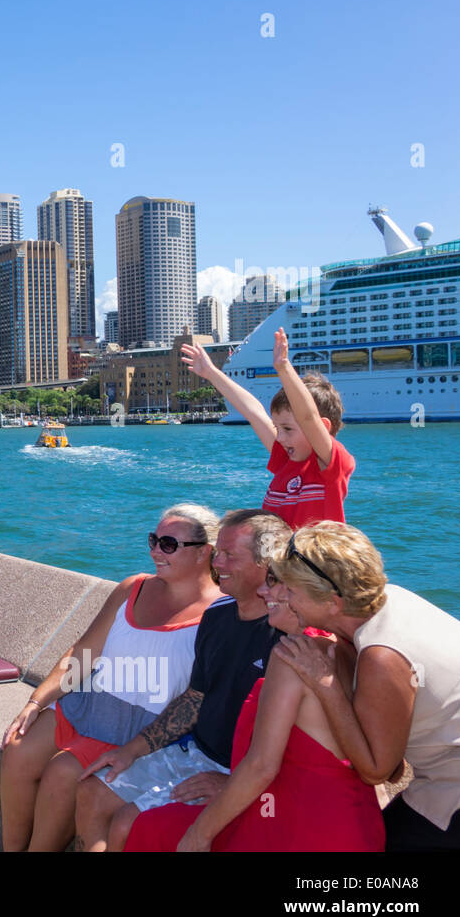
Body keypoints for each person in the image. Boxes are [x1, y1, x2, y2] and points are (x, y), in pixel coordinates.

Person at [0, 504, 222, 851]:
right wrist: (35, 701)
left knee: (62, 774)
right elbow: (84, 652)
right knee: (16, 748)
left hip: (139, 727)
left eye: (168, 544)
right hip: (88, 705)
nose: (154, 551)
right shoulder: (133, 587)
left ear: (204, 552)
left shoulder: (220, 614)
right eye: (153, 540)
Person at [124, 556, 384, 851]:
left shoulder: (294, 655)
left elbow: (261, 766)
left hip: (296, 828)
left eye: (281, 585)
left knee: (152, 829)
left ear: (318, 596)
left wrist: (198, 836)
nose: (265, 592)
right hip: (350, 820)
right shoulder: (352, 649)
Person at [74, 510, 292, 850]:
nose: (216, 561)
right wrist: (130, 751)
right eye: (217, 551)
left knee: (127, 825)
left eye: (229, 555)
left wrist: (233, 782)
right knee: (91, 792)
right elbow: (195, 699)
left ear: (268, 564)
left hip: (238, 771)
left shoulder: (287, 637)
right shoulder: (218, 616)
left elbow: (297, 745)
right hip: (195, 753)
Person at [268, 521, 460, 850]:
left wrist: (327, 685)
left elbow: (377, 770)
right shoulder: (388, 600)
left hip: (458, 786)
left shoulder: (383, 656)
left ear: (333, 603)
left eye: (290, 589)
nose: (277, 594)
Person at [181, 328, 353, 529]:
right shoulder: (285, 460)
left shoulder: (330, 466)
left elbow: (308, 418)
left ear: (323, 428)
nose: (279, 437)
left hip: (315, 560)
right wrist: (211, 373)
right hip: (280, 560)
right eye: (277, 428)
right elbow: (253, 411)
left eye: (287, 429)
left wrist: (284, 368)